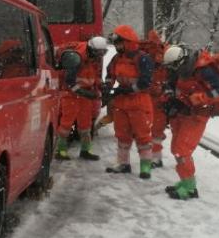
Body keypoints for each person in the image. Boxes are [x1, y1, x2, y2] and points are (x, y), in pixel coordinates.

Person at [161, 45, 219, 200]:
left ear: (180, 61)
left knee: (182, 150)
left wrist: (195, 99)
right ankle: (185, 181)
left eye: (173, 67)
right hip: (183, 113)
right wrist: (171, 100)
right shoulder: (179, 70)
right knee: (175, 148)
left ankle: (190, 188)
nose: (172, 70)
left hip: (197, 115)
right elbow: (171, 86)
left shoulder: (203, 70)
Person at [103, 24, 155, 179]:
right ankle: (123, 163)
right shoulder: (117, 58)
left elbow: (146, 82)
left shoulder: (142, 58)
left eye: (118, 42)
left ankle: (145, 166)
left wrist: (128, 89)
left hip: (138, 102)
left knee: (143, 135)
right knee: (122, 134)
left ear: (126, 42)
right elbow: (110, 74)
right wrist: (107, 86)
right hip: (121, 102)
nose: (116, 46)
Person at [55, 36, 107, 160]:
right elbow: (69, 82)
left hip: (85, 94)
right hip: (71, 95)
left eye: (102, 52)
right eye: (98, 52)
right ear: (91, 49)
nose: (100, 55)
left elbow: (95, 76)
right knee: (66, 123)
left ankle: (85, 150)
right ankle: (60, 150)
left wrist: (101, 86)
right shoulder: (76, 58)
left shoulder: (94, 59)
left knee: (86, 124)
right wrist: (83, 92)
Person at [140, 29, 170, 168]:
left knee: (150, 128)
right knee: (156, 129)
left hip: (150, 96)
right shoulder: (164, 54)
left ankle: (154, 158)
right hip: (159, 97)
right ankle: (155, 157)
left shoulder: (144, 52)